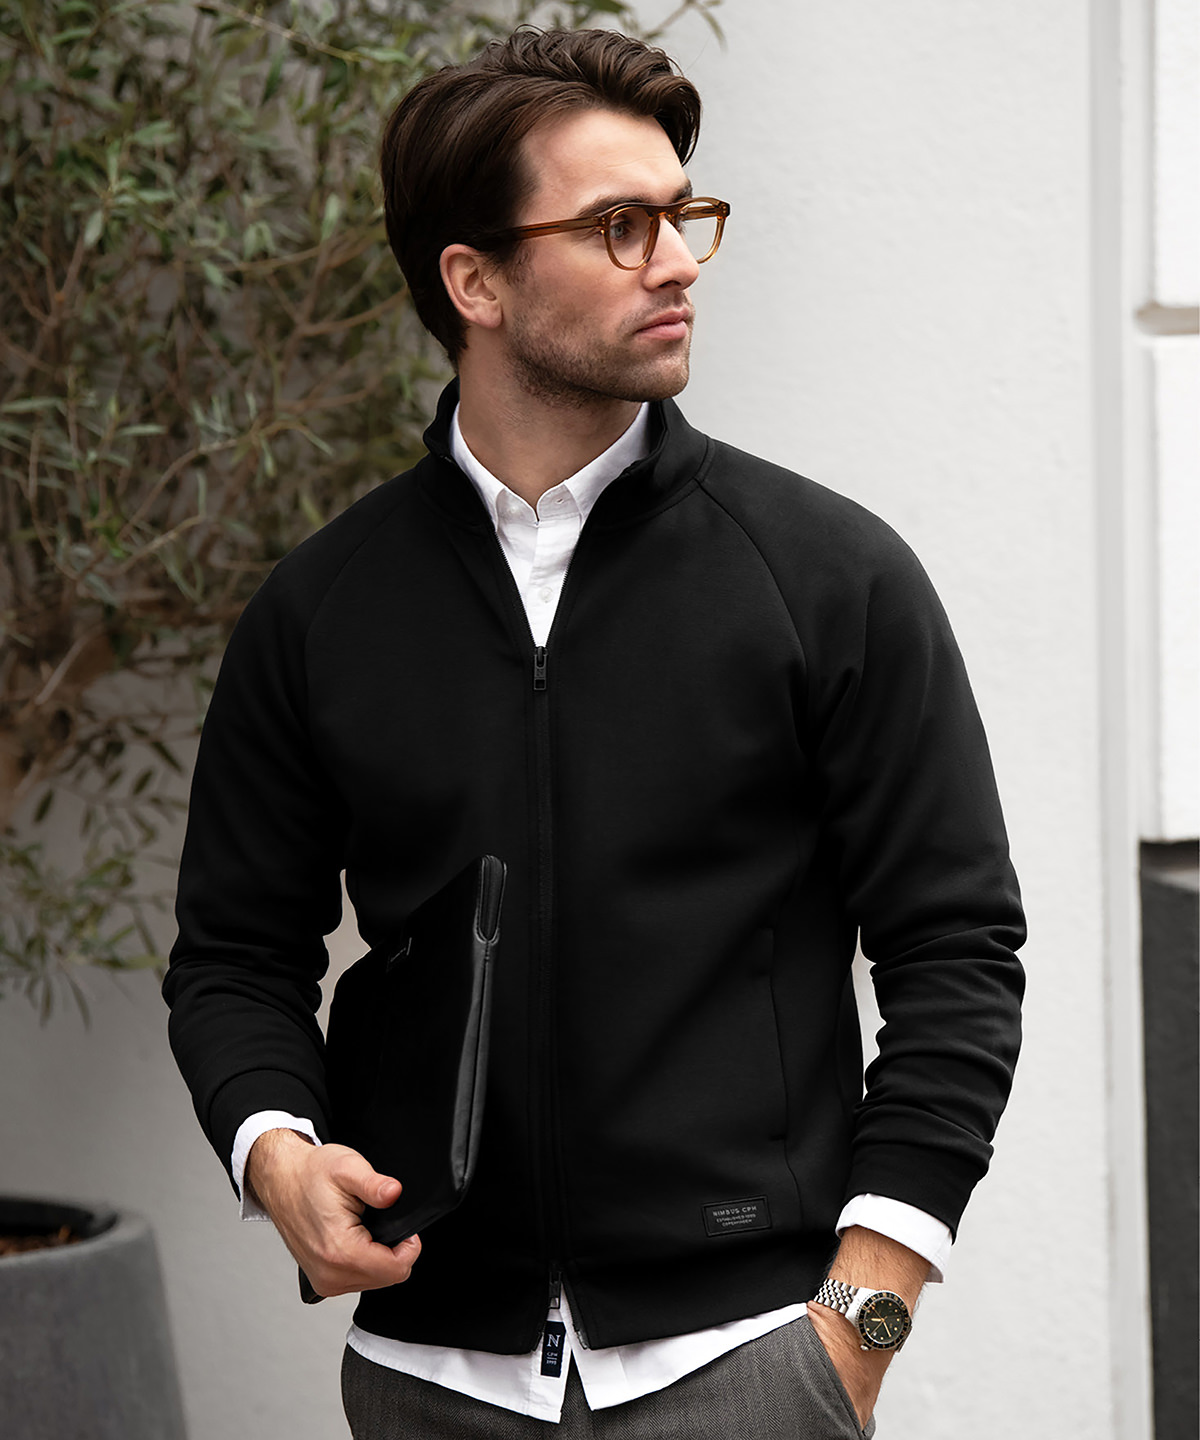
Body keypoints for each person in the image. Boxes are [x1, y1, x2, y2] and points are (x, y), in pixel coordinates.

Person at [163, 27, 1025, 1440]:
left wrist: (863, 1319)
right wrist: (276, 1154)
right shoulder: (321, 610)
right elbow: (234, 959)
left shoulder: (829, 578)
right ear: (476, 281)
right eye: (619, 226)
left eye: (684, 216)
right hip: (429, 1378)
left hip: (748, 1366)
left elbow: (957, 946)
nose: (676, 261)